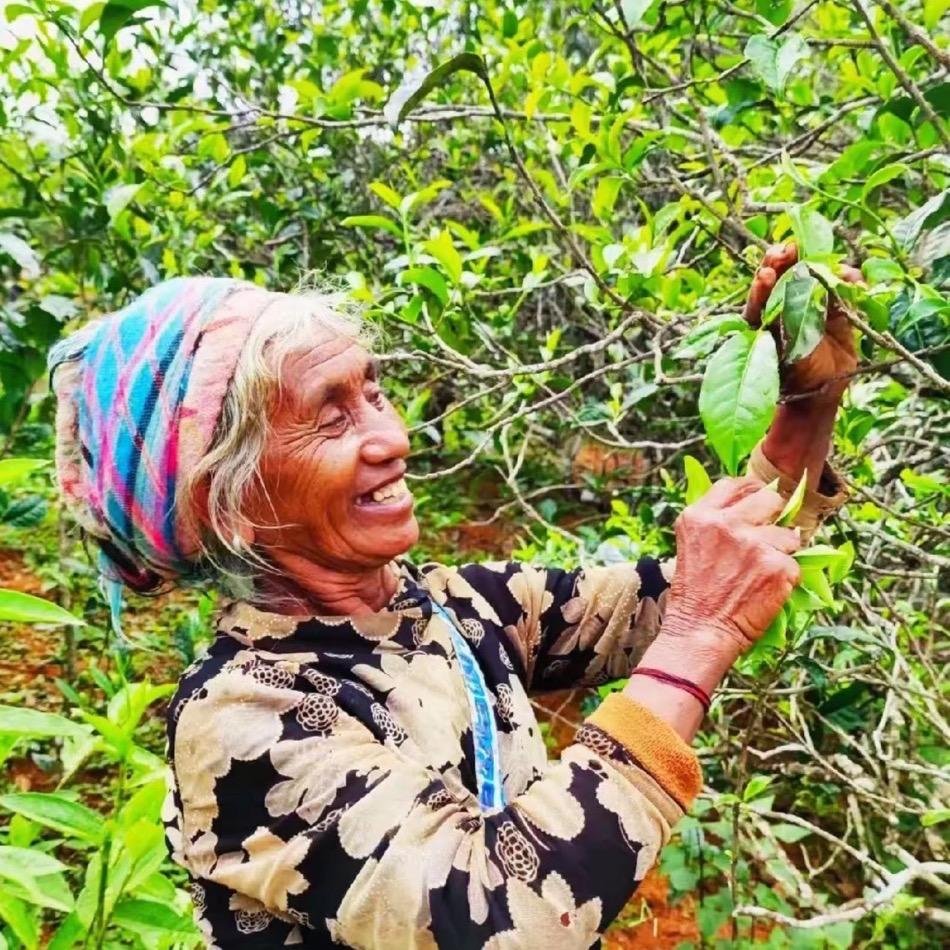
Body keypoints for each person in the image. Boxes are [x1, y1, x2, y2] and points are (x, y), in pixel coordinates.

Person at [49, 243, 851, 948]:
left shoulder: (452, 608)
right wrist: (695, 645)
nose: (393, 438)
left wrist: (804, 407)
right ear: (229, 498)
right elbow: (510, 920)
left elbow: (684, 598)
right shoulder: (245, 716)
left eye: (373, 393)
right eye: (329, 420)